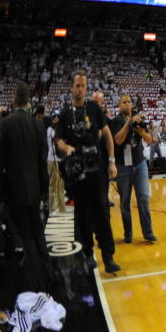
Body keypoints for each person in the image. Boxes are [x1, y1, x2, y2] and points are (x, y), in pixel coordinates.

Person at [54, 70, 122, 274]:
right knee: (82, 214)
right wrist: (66, 148)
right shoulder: (65, 114)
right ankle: (88, 253)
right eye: (77, 85)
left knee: (102, 210)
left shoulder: (94, 108)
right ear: (71, 87)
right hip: (77, 171)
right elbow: (58, 139)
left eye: (83, 86)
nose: (80, 89)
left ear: (86, 88)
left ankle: (108, 256)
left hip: (97, 169)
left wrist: (111, 161)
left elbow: (108, 135)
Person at [0, 83, 50, 290]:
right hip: (34, 190)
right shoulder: (37, 125)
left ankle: (39, 284)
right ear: (29, 102)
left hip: (15, 191)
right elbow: (41, 162)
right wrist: (45, 190)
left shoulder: (6, 124)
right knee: (38, 234)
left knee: (27, 239)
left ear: (13, 101)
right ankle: (50, 274)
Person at [109, 95, 157, 243]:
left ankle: (148, 232)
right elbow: (118, 140)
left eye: (129, 102)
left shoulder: (139, 119)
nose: (128, 104)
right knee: (125, 202)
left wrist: (140, 131)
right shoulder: (115, 121)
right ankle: (128, 233)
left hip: (139, 164)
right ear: (119, 106)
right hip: (123, 166)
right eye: (124, 102)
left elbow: (150, 140)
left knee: (143, 198)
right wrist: (129, 122)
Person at [45, 113, 66, 214]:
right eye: (55, 118)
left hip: (60, 159)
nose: (57, 120)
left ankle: (62, 207)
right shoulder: (50, 130)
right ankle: (52, 208)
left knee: (61, 184)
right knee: (53, 184)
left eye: (58, 118)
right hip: (52, 158)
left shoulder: (59, 129)